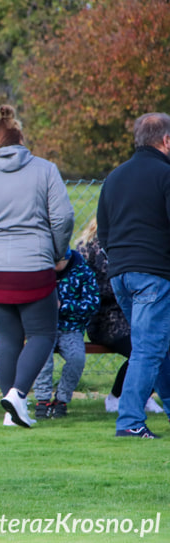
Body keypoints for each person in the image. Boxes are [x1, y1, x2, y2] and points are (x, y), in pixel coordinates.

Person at [0, 104, 75, 428]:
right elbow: (63, 218)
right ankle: (19, 395)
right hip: (34, 266)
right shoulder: (45, 169)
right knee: (42, 335)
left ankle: (12, 412)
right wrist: (58, 252)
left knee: (8, 338)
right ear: (21, 139)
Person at [97, 112, 170, 439]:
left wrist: (122, 260)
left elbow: (104, 231)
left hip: (121, 274)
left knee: (158, 345)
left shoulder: (114, 177)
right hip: (154, 273)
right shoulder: (166, 175)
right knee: (148, 348)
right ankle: (129, 421)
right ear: (166, 141)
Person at [76, 218, 166, 415]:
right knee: (146, 347)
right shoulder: (89, 247)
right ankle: (118, 396)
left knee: (161, 344)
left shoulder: (138, 244)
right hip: (107, 320)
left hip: (138, 312)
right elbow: (88, 289)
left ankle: (144, 395)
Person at [33, 247, 99, 418]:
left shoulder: (83, 273)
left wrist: (64, 306)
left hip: (71, 328)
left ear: (67, 259)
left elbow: (92, 304)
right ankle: (42, 399)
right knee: (42, 357)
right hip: (43, 328)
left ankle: (62, 399)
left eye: (56, 263)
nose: (53, 267)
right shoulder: (40, 271)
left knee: (76, 358)